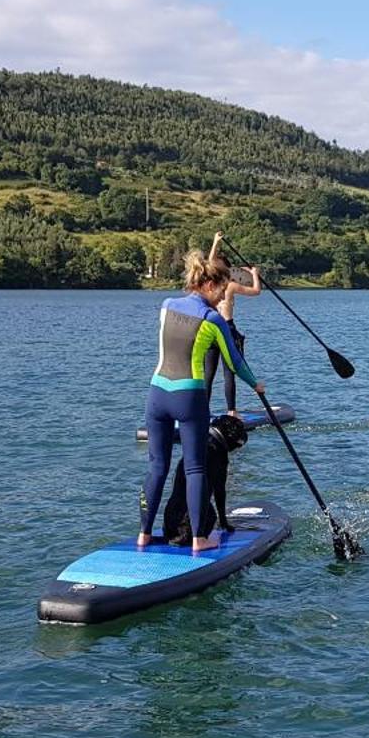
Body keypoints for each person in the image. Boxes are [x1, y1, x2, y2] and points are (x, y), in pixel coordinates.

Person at [141, 250, 263, 552]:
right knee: (196, 468)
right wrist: (255, 385)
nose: (223, 296)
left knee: (157, 466)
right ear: (209, 284)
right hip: (189, 396)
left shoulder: (166, 306)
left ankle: (144, 534)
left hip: (156, 394)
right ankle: (199, 539)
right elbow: (234, 362)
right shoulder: (213, 319)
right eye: (222, 289)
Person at [162, 414, 250, 547]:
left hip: (169, 524)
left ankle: (175, 534)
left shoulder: (196, 444)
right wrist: (223, 521)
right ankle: (199, 539)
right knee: (210, 515)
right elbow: (219, 491)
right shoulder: (217, 452)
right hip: (189, 531)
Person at [207, 231, 262, 417]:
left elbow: (210, 261)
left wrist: (215, 243)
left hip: (211, 329)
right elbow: (256, 291)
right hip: (225, 329)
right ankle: (231, 411)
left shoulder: (213, 284)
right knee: (226, 372)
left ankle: (214, 411)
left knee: (213, 373)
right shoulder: (228, 284)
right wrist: (255, 274)